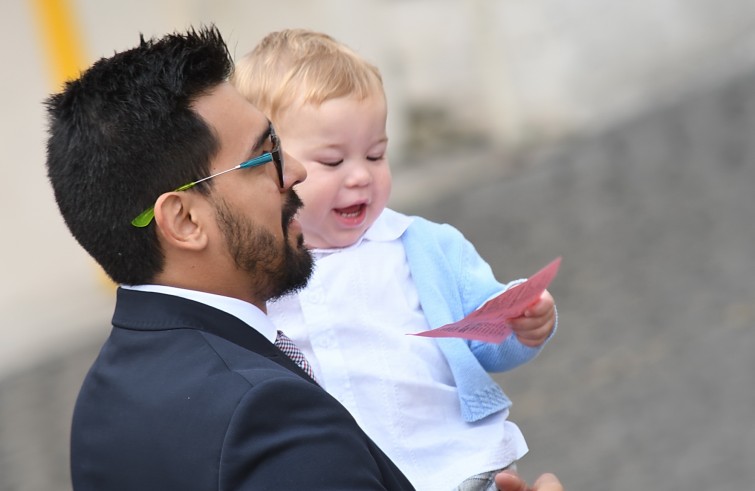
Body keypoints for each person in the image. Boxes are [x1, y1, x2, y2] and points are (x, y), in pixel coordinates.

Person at [44, 25, 561, 491]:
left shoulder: (99, 408)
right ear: (184, 220)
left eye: (376, 153)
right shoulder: (268, 413)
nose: (295, 172)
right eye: (265, 155)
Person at [232, 29, 557, 491]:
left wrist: (518, 322)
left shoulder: (421, 246)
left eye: (376, 154)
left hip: (456, 467)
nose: (361, 175)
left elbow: (483, 335)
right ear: (272, 167)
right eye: (332, 161)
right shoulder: (258, 272)